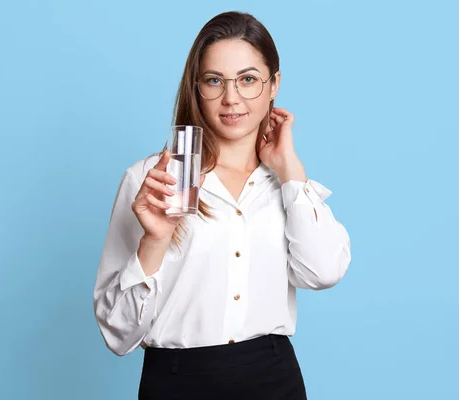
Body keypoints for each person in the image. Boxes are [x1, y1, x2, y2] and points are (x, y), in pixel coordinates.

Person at [93, 10, 351, 400]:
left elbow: (323, 273)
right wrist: (154, 240)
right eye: (214, 80)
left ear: (273, 84)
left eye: (248, 80)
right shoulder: (151, 181)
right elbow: (118, 334)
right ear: (196, 87)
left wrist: (291, 172)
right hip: (177, 382)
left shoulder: (286, 184)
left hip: (273, 377)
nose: (231, 98)